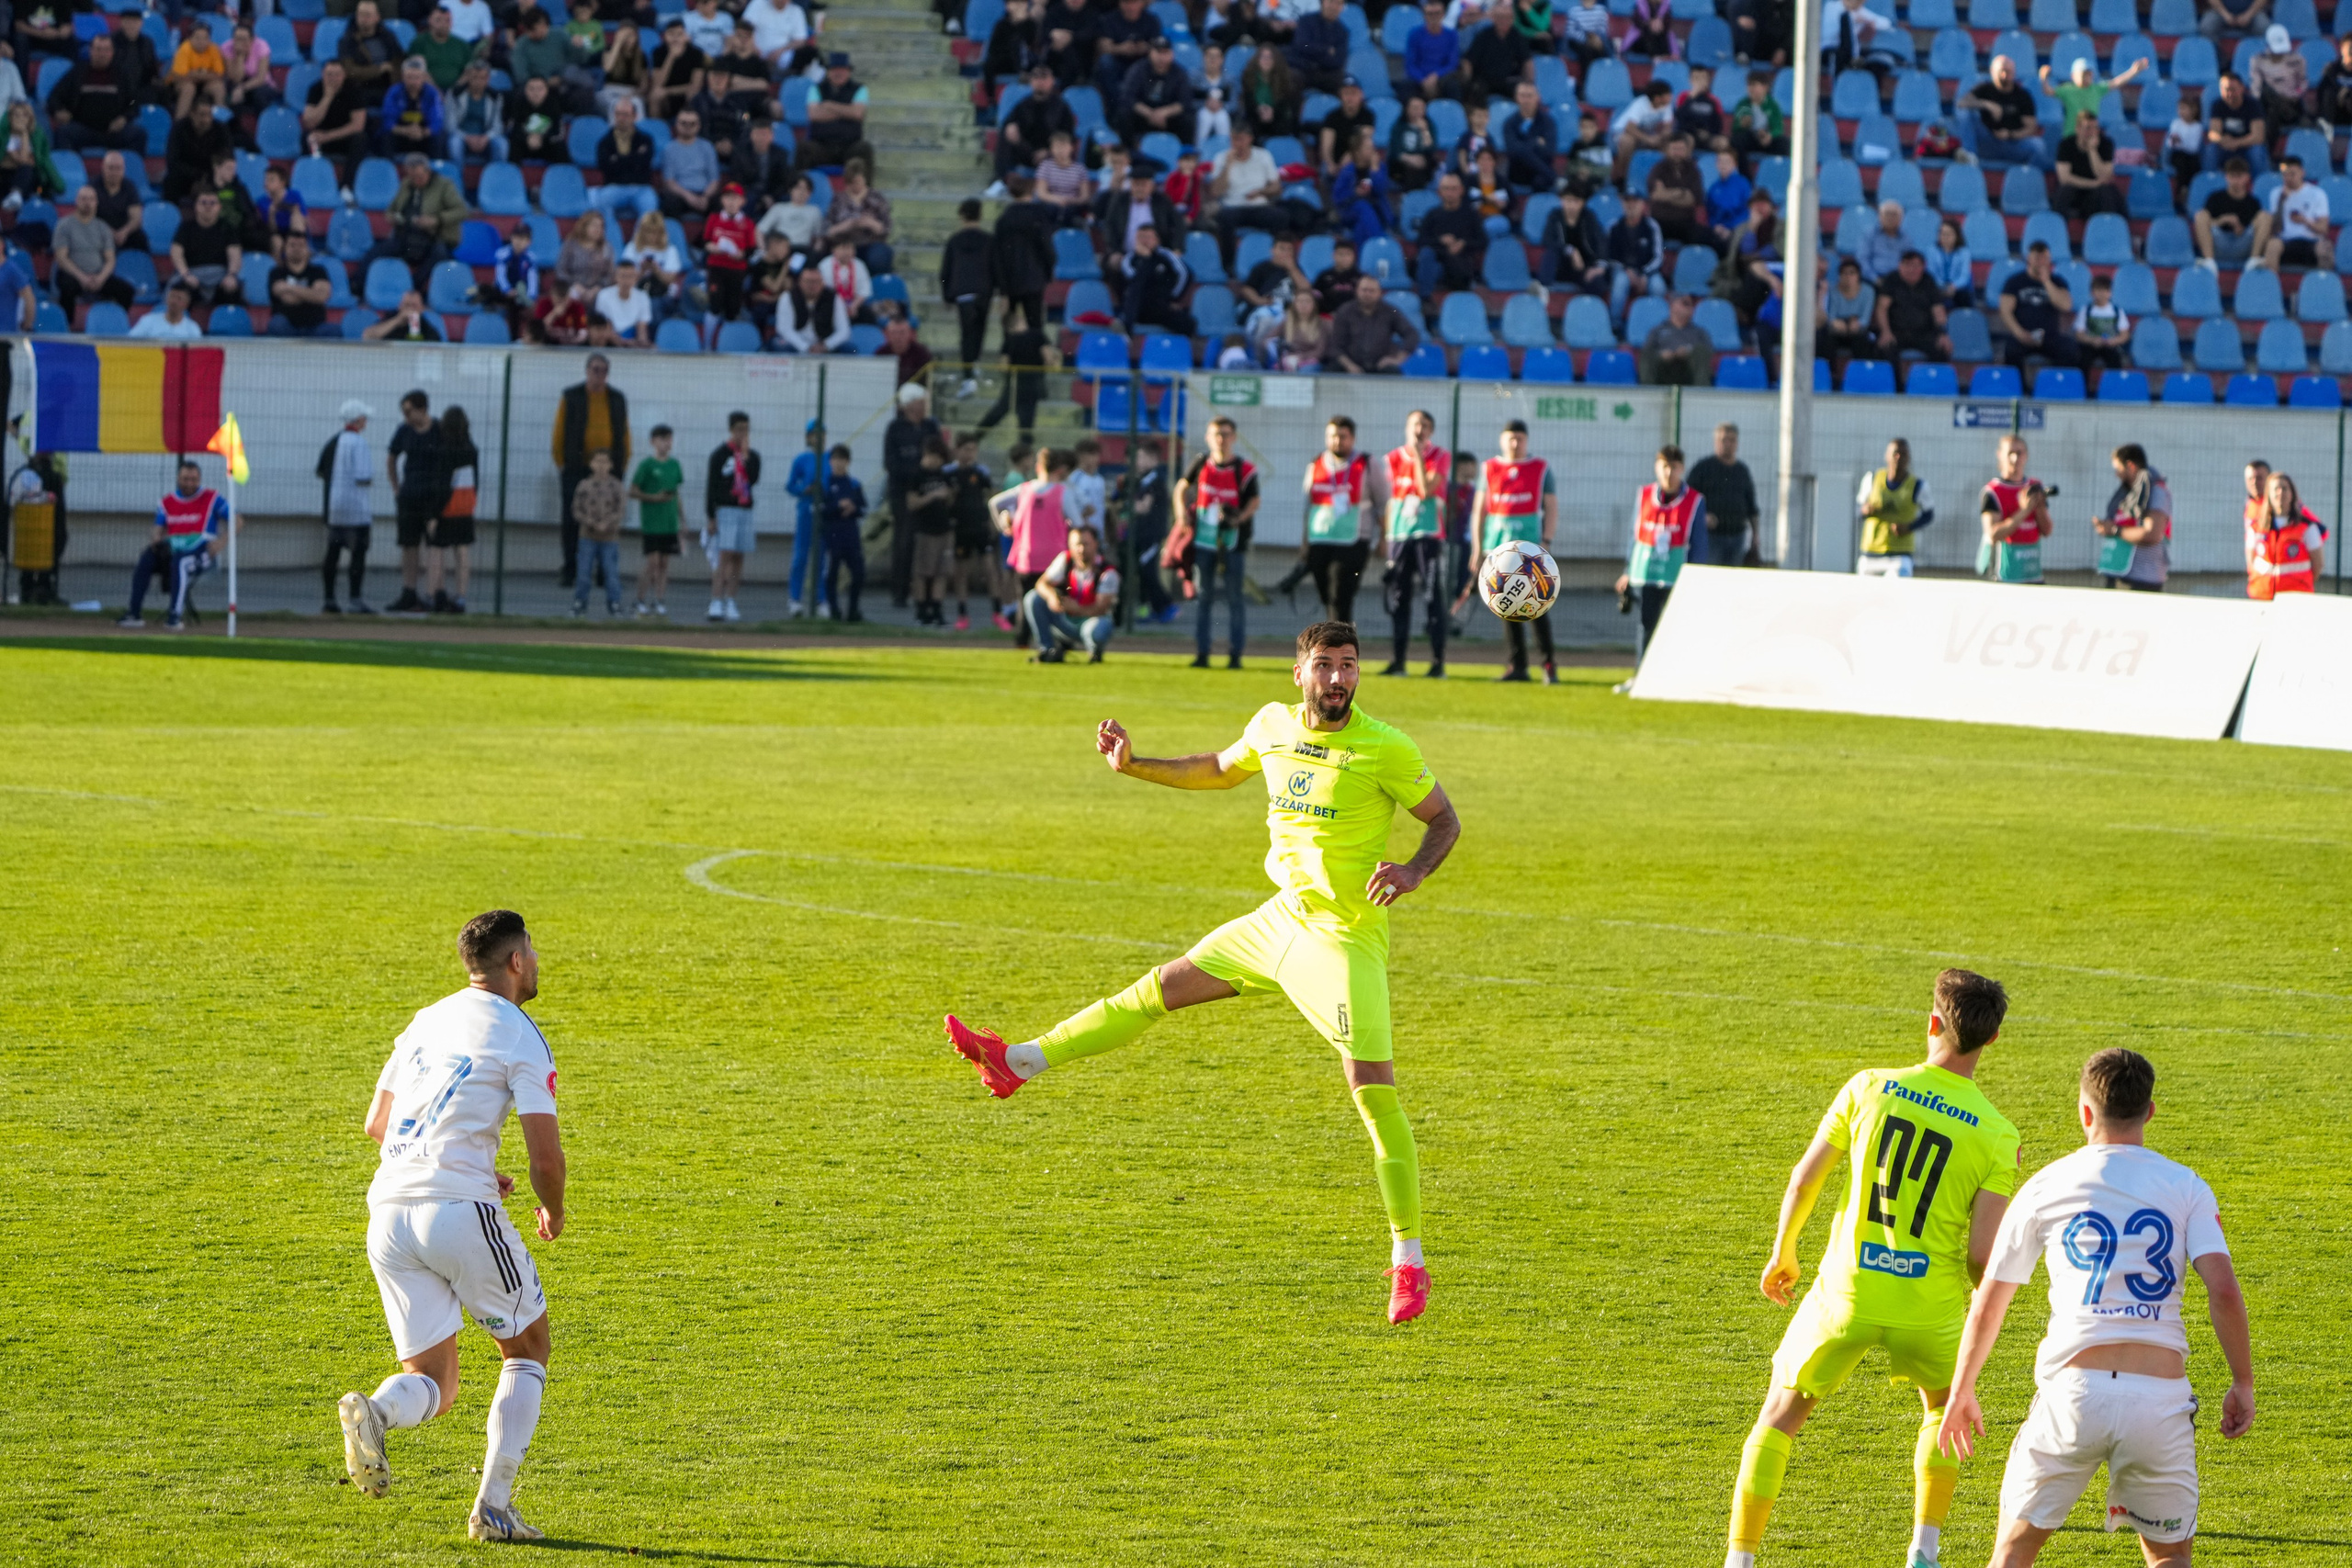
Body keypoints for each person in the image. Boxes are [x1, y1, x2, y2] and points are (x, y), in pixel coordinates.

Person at [946, 619, 1461, 1325]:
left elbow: (1444, 819)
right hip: (1278, 921)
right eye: (1324, 664)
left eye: (1349, 665)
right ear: (1299, 671)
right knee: (1159, 987)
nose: (1338, 678)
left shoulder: (1386, 747)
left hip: (1342, 940)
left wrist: (1413, 870)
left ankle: (1409, 1260)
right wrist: (1134, 764)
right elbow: (1219, 768)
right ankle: (1017, 1061)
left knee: (1373, 1091)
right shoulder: (1272, 724)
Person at [1723, 969, 2022, 1568]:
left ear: (1933, 1022)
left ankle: (1741, 1559)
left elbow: (1804, 1178)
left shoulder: (1869, 1086)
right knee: (1942, 1409)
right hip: (1929, 1307)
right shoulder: (1997, 1132)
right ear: (1992, 1039)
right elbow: (1981, 1254)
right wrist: (1981, 1306)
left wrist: (1784, 1250)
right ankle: (1924, 1549)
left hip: (1846, 1293)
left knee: (1779, 1416)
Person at [1936, 1049, 2255, 1568]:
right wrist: (2242, 1381)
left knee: (2013, 1551)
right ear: (2149, 1112)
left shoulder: (2045, 1185)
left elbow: (1989, 1303)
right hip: (2159, 1401)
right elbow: (2223, 1290)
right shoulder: (2186, 1187)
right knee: (2169, 1555)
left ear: (2085, 1112)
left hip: (2073, 1396)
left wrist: (1962, 1390)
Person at [337, 909, 564, 1546]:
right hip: (458, 1210)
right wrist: (553, 1209)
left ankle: (377, 1411)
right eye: (532, 950)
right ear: (515, 961)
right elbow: (546, 1159)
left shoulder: (426, 1019)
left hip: (389, 1212)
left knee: (438, 1378)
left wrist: (464, 1164)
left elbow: (377, 1123)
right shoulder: (521, 1033)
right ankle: (494, 1508)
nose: (536, 961)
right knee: (528, 1347)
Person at [1467, 421, 1559, 685]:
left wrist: (1547, 540)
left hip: (1530, 554)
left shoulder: (1540, 468)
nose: (1515, 443)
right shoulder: (1489, 468)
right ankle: (1517, 666)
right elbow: (1479, 510)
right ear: (1502, 440)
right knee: (1506, 605)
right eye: (1511, 438)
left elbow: (1551, 506)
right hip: (1497, 553)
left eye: (1520, 438)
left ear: (1526, 440)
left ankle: (1548, 664)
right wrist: (1477, 548)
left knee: (1537, 605)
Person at [1608, 443, 1704, 684]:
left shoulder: (1694, 501)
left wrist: (1695, 577)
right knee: (1646, 625)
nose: (1669, 473)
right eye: (1664, 466)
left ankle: (1676, 677)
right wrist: (1627, 571)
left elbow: (1699, 543)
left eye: (1674, 467)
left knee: (1677, 626)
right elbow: (1635, 536)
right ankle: (1642, 676)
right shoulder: (1645, 496)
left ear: (1682, 469)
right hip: (1647, 573)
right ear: (1656, 467)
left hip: (1676, 577)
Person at [1172, 416, 1259, 669]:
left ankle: (1235, 655)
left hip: (1232, 543)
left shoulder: (1244, 469)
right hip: (1204, 542)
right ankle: (1202, 653)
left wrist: (1238, 519)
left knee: (1235, 599)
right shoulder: (1201, 464)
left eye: (1226, 434)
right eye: (1216, 434)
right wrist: (1181, 514)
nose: (1221, 439)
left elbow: (1254, 500)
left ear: (1234, 438)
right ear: (1208, 438)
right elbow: (1180, 488)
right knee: (1203, 598)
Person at [117, 459, 229, 632]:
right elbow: (158, 527)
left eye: (193, 479)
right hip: (174, 549)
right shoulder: (167, 502)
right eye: (185, 479)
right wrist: (156, 539)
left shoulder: (212, 498)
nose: (189, 484)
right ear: (178, 478)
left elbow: (237, 520)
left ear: (199, 480)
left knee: (181, 563)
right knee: (146, 559)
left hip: (202, 552)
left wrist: (221, 541)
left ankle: (174, 616)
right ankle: (134, 613)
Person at [1380, 411, 1451, 677]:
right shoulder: (1392, 458)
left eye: (1425, 425)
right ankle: (1398, 661)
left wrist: (1419, 456)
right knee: (1399, 599)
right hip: (1400, 537)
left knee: (1432, 598)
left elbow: (1425, 490)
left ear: (1431, 431)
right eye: (1415, 424)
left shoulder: (1440, 456)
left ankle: (1437, 663)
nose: (1419, 429)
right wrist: (1386, 537)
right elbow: (1391, 500)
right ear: (1407, 427)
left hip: (1427, 535)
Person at [551, 355, 630, 588]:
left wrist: (622, 465)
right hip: (576, 468)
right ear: (587, 371)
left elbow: (625, 434)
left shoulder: (617, 399)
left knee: (607, 519)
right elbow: (559, 432)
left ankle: (604, 571)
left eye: (604, 370)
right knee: (572, 519)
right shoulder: (571, 396)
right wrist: (561, 462)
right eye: (595, 370)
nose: (599, 375)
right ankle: (571, 569)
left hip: (608, 470)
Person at [1023, 523, 1122, 662]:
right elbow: (1041, 583)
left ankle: (1094, 652)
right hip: (1065, 620)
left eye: (1086, 544)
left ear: (1096, 544)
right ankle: (1048, 650)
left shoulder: (1107, 572)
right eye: (1077, 544)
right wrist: (1052, 597)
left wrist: (1076, 608)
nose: (1081, 549)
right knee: (1033, 598)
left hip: (1090, 622)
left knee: (1098, 628)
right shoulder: (1065, 560)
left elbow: (1100, 608)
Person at [886, 382, 945, 606]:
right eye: (921, 402)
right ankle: (900, 592)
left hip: (929, 490)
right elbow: (891, 463)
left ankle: (928, 595)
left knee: (931, 541)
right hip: (903, 493)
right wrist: (917, 472)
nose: (924, 406)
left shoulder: (930, 426)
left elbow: (941, 454)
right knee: (905, 541)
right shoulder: (895, 429)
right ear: (910, 405)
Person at [704, 410, 762, 623]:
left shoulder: (753, 456)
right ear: (730, 430)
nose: (742, 434)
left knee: (738, 557)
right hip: (726, 509)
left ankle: (731, 600)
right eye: (738, 429)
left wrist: (746, 459)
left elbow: (753, 479)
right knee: (724, 556)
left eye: (746, 429)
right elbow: (711, 486)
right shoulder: (719, 455)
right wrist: (711, 516)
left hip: (744, 510)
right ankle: (716, 600)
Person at [321, 399, 375, 615]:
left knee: (332, 553)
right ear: (359, 420)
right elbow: (364, 477)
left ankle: (329, 598)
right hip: (356, 509)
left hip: (335, 506)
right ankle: (355, 599)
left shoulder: (336, 441)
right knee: (358, 553)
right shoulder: (359, 443)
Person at [424, 405, 478, 615]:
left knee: (437, 549)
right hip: (464, 506)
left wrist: (433, 514)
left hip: (446, 508)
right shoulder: (471, 449)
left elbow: (442, 484)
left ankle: (436, 593)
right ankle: (461, 596)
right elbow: (475, 479)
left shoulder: (444, 450)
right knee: (462, 551)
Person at [2094, 442, 2168, 592]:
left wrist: (2114, 530)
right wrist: (2106, 527)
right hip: (2119, 575)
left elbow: (2152, 533)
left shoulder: (2156, 492)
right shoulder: (2128, 494)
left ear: (2130, 466)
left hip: (2142, 581)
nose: (2116, 474)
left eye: (2118, 469)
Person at [1855, 436, 1935, 577]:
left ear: (1909, 458)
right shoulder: (1872, 479)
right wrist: (1865, 510)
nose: (1899, 458)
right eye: (1895, 453)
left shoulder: (1918, 486)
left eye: (1904, 454)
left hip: (1900, 555)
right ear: (1886, 456)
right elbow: (1857, 508)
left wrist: (1909, 527)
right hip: (1871, 552)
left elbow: (1928, 515)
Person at [2245, 467, 2328, 597]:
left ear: (2292, 494)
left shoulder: (2307, 527)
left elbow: (2318, 564)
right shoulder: (2256, 527)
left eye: (2284, 488)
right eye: (2275, 489)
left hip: (2295, 596)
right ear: (2268, 494)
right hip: (2262, 595)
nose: (2280, 493)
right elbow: (2251, 560)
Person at [51, 183, 132, 318]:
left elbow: (110, 259)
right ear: (77, 201)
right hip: (73, 275)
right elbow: (61, 258)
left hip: (98, 276)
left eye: (91, 199)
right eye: (84, 199)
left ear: (96, 202)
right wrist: (82, 277)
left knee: (127, 291)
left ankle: (114, 322)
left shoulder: (103, 227)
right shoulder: (64, 225)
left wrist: (101, 278)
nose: (87, 203)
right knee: (67, 287)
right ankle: (67, 326)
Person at [1979, 434, 2050, 584]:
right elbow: (1992, 534)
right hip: (2004, 575)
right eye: (2010, 453)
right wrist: (2024, 511)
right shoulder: (1992, 491)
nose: (2015, 458)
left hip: (2032, 574)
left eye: (2019, 453)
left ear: (2026, 456)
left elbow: (2047, 530)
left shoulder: (2034, 487)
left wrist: (2039, 507)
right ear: (2000, 455)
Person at [1685, 423, 1758, 568]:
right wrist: (1702, 516)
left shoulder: (1742, 471)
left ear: (1737, 443)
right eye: (1724, 440)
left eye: (1732, 440)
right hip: (1711, 537)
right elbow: (1687, 498)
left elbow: (1752, 506)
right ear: (1716, 442)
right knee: (1711, 575)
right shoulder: (1703, 468)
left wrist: (1756, 536)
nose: (1728, 444)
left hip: (1737, 537)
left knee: (1734, 578)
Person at [1956, 55, 2047, 170]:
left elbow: (2031, 127)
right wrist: (1986, 104)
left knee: (2038, 145)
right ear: (1992, 71)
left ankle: (2026, 175)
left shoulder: (2023, 95)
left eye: (2008, 71)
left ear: (2014, 72)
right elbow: (1961, 103)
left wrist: (2010, 134)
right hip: (1986, 142)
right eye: (2002, 71)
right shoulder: (1985, 89)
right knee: (1964, 113)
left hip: (2012, 144)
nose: (2005, 75)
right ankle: (1969, 158)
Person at [1998, 242, 2075, 370]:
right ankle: (2020, 384)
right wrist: (2019, 333)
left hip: (2050, 336)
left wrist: (2046, 282)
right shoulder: (2015, 282)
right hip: (2023, 334)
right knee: (2011, 351)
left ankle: (2053, 381)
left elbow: (2066, 306)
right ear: (2029, 259)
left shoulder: (2057, 281)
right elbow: (2005, 311)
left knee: (2070, 350)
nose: (2041, 262)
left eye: (2045, 258)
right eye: (2037, 258)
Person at [820, 443, 869, 622]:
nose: (838, 463)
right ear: (830, 462)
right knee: (832, 573)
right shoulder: (825, 483)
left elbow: (863, 507)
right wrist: (838, 506)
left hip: (851, 534)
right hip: (833, 534)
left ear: (848, 462)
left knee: (858, 572)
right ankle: (834, 609)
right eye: (835, 459)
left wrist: (853, 508)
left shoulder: (854, 484)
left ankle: (853, 610)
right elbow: (821, 508)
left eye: (842, 459)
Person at [785, 420, 829, 618]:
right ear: (809, 438)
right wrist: (804, 489)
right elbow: (790, 485)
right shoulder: (802, 460)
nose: (819, 438)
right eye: (814, 434)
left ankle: (821, 599)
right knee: (801, 555)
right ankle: (795, 599)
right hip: (806, 510)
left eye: (822, 433)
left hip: (824, 511)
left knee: (821, 557)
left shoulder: (829, 458)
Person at [1877, 249, 1953, 362]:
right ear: (1900, 266)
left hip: (1924, 333)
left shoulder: (1928, 281)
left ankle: (1930, 374)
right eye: (1907, 265)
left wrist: (1943, 334)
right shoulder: (1892, 279)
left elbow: (1938, 310)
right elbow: (1882, 308)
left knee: (1942, 349)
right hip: (1897, 332)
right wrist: (1885, 332)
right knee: (1885, 349)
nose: (1911, 270)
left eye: (1916, 266)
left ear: (1923, 267)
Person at [1118, 222, 1195, 334]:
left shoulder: (1166, 256)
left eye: (1148, 237)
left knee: (1187, 323)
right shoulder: (1129, 260)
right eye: (1140, 237)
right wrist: (1147, 260)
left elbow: (1185, 274)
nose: (1144, 241)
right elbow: (1136, 282)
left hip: (1160, 306)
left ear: (1157, 240)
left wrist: (1173, 298)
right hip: (1138, 306)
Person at [2194, 155, 2268, 269]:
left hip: (2243, 244)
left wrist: (2240, 228)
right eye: (2232, 176)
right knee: (2201, 215)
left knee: (2265, 217)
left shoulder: (2253, 202)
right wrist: (2222, 220)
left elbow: (2254, 227)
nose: (2236, 181)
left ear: (2247, 177)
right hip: (2219, 243)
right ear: (2226, 177)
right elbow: (2206, 224)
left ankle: (2254, 260)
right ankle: (2209, 261)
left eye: (2239, 176)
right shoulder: (2215, 198)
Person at [2262, 152, 2332, 270]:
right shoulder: (2276, 194)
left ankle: (2322, 279)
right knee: (2272, 245)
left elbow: (2323, 228)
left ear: (2302, 173)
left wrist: (2305, 221)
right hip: (2286, 241)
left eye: (2292, 174)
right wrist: (2281, 203)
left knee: (2325, 248)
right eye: (2285, 175)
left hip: (2311, 240)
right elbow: (2275, 229)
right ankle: (2271, 281)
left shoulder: (2317, 193)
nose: (2288, 178)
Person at [1641, 292, 1715, 385]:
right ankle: (1648, 390)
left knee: (1700, 351)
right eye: (1685, 304)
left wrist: (1688, 352)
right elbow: (1648, 351)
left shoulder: (1699, 332)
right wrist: (1661, 355)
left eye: (1692, 305)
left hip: (1688, 372)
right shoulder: (1658, 330)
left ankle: (1700, 391)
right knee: (1648, 355)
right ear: (1673, 306)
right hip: (1664, 370)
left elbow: (1708, 352)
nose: (1690, 308)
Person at [2203, 73, 2268, 176]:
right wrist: (2222, 140)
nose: (2229, 93)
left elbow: (2258, 137)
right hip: (2225, 146)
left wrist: (2236, 143)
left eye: (2232, 89)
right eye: (2225, 89)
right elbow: (2213, 133)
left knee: (2257, 150)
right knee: (2211, 149)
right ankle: (2210, 180)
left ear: (2242, 88)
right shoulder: (2217, 105)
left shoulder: (2253, 105)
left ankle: (2259, 181)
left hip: (2247, 146)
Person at [2073, 272, 2131, 374]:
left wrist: (2112, 341)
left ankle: (2112, 383)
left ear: (2110, 293)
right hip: (2090, 346)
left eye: (2105, 290)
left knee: (2115, 360)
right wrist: (2092, 340)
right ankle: (2082, 383)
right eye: (2098, 290)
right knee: (2083, 359)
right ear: (2092, 292)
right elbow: (2079, 334)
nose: (2102, 294)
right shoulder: (2086, 310)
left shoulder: (2117, 311)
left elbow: (2124, 335)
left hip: (2110, 346)